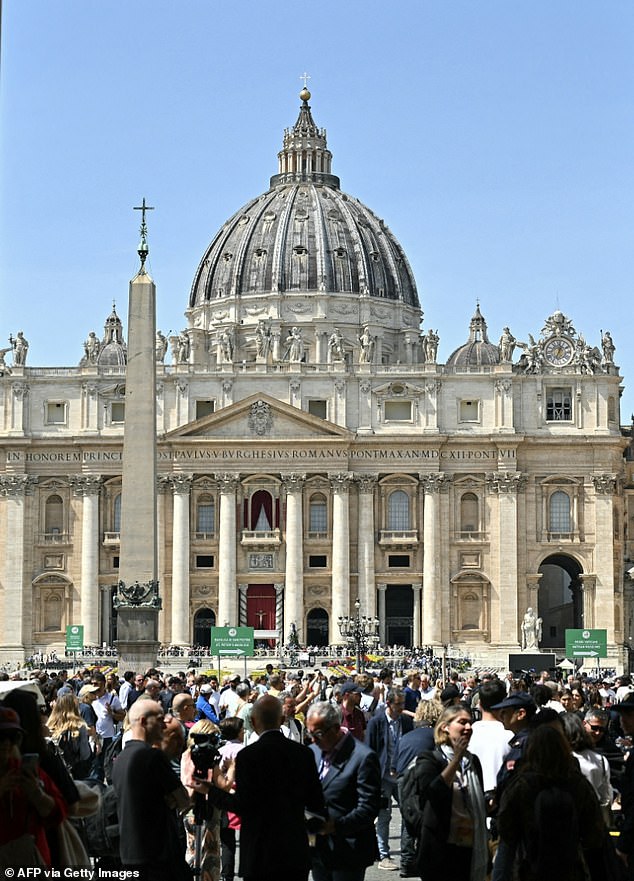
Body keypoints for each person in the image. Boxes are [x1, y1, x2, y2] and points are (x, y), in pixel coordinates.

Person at [207, 694, 326, 881]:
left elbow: (241, 804)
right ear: (282, 720)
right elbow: (316, 802)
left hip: (258, 852)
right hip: (294, 849)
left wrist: (210, 791)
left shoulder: (247, 756)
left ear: (254, 722)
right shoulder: (303, 754)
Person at [496, 724, 607, 881]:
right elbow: (594, 834)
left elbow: (506, 831)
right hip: (570, 871)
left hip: (531, 870)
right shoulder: (577, 784)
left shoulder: (522, 785)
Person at [112, 699, 193, 881]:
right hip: (158, 854)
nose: (163, 725)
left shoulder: (121, 758)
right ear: (143, 721)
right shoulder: (151, 756)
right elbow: (183, 800)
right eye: (159, 719)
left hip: (129, 852)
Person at [408, 704, 488, 881]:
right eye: (462, 722)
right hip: (440, 850)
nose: (468, 727)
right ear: (445, 727)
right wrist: (456, 760)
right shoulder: (429, 759)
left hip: (470, 848)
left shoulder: (473, 761)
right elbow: (432, 794)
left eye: (470, 723)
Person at [305, 701, 381, 881]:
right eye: (310, 734)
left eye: (318, 734)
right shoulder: (312, 752)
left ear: (335, 728)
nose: (314, 740)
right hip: (318, 848)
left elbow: (368, 807)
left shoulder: (363, 757)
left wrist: (335, 826)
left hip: (349, 850)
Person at [0, 707, 67, 868]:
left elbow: (59, 814)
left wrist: (37, 794)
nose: (7, 743)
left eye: (13, 737)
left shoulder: (26, 771)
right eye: (1, 737)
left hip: (31, 863)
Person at [365, 687, 413, 871]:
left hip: (401, 775)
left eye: (403, 704)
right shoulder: (376, 722)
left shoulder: (406, 722)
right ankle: (383, 854)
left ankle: (407, 852)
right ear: (389, 703)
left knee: (408, 812)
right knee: (384, 816)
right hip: (383, 776)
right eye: (398, 704)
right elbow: (370, 750)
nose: (401, 707)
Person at [181, 719, 223, 881]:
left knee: (194, 852)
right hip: (204, 808)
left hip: (193, 809)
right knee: (208, 857)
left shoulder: (187, 755)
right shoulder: (204, 757)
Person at [47, 693, 93, 780]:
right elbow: (85, 755)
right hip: (74, 773)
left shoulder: (49, 726)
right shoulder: (79, 727)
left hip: (55, 772)